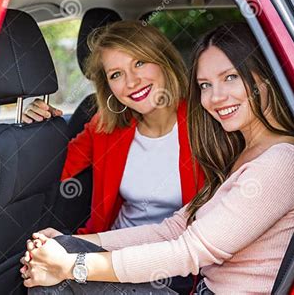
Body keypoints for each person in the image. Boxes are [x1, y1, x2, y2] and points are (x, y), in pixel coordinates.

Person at [20, 22, 294, 294]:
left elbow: (188, 249)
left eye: (231, 77)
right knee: (55, 260)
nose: (216, 97)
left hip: (187, 270)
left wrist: (74, 265)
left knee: (57, 278)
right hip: (170, 259)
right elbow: (173, 228)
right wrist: (36, 131)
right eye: (206, 85)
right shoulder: (241, 147)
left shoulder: (230, 140)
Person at [23, 20, 205, 236]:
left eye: (139, 63)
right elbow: (49, 172)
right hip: (111, 251)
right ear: (108, 87)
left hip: (180, 256)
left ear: (164, 60)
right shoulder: (103, 128)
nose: (132, 82)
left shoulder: (205, 121)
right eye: (116, 74)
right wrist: (38, 130)